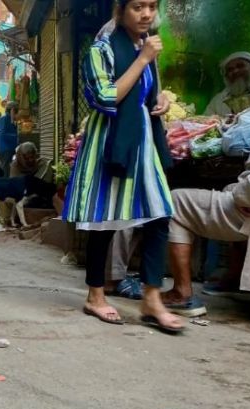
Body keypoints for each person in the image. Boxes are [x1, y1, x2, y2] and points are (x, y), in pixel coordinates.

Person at [62, 0, 184, 331]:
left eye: (151, 7)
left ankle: (151, 297)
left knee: (160, 214)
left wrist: (159, 99)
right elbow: (105, 97)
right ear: (120, 11)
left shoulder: (145, 46)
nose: (146, 14)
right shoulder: (101, 49)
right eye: (137, 7)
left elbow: (144, 93)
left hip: (144, 144)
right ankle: (95, 295)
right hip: (111, 142)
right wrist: (143, 60)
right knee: (107, 219)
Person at [162, 46, 250, 319]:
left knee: (174, 201)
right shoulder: (244, 102)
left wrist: (242, 194)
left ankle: (182, 292)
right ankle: (232, 279)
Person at [204, 51, 250, 116]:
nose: (235, 71)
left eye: (240, 66)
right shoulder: (217, 101)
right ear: (226, 76)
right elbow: (206, 122)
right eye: (230, 69)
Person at [0, 102, 19, 177]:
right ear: (12, 110)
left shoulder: (11, 120)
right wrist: (16, 136)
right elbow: (3, 134)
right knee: (6, 169)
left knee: (10, 169)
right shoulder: (4, 119)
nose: (17, 114)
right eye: (16, 111)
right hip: (6, 148)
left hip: (10, 147)